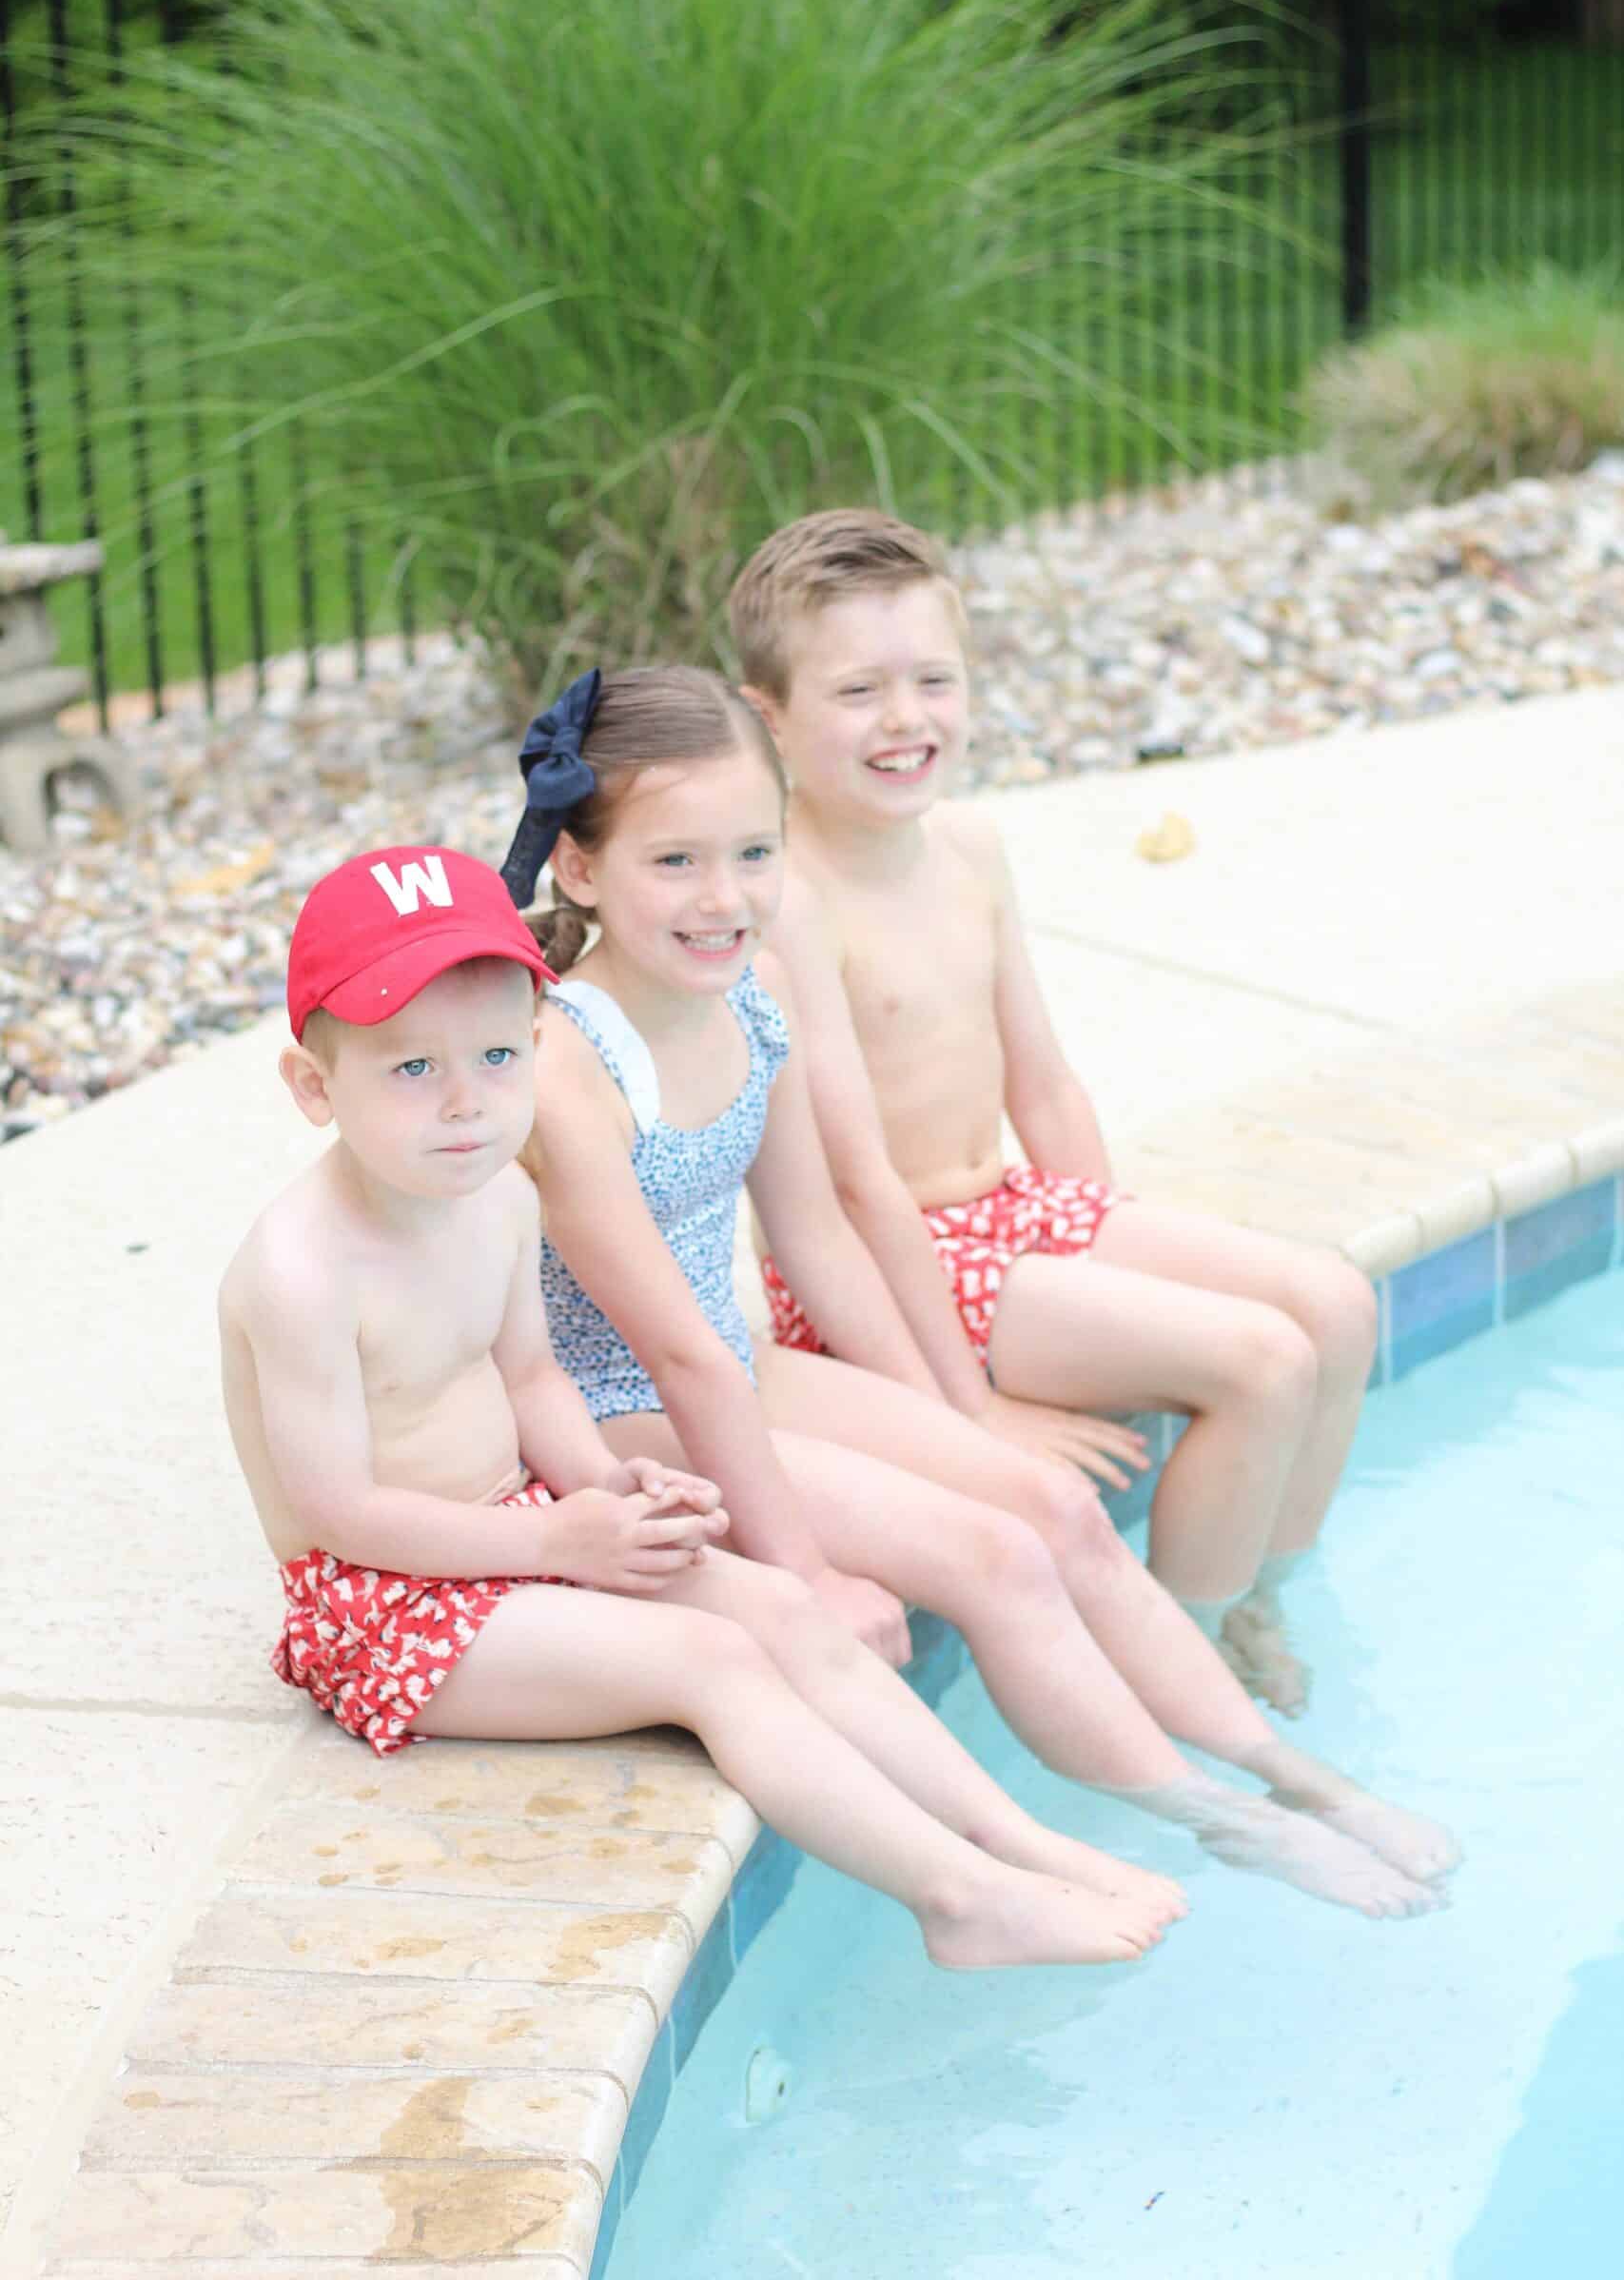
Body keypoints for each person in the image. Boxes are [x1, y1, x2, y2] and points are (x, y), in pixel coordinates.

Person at [502, 668, 1454, 1917]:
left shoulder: (755, 993)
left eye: (751, 851)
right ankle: (1217, 1823)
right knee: (995, 1559)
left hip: (740, 1368)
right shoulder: (566, 1062)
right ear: (578, 867)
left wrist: (954, 1427)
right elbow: (673, 1358)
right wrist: (802, 1574)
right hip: (618, 1407)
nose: (725, 898)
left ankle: (1298, 1778)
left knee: (1046, 1505)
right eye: (673, 862)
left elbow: (815, 1239)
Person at [218, 843, 1180, 1972]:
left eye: (494, 1054)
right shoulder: (301, 1271)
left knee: (776, 1604)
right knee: (712, 1663)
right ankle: (958, 1898)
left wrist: (605, 1484)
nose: (468, 1102)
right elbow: (338, 1511)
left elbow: (529, 1380)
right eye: (411, 1069)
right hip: (385, 1607)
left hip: (520, 1524)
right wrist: (555, 1536)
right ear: (314, 1086)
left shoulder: (496, 1198)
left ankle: (1016, 1839)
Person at [730, 508, 1382, 1720]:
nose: (905, 718)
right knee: (1260, 1360)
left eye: (933, 679)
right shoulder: (788, 903)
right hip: (902, 1264)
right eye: (858, 690)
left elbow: (1044, 1083)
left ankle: (1252, 1601)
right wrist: (964, 1411)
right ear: (768, 715)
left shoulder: (971, 849)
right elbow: (854, 1186)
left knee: (1338, 1308)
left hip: (1016, 1220)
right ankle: (1173, 1670)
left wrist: (1107, 1232)